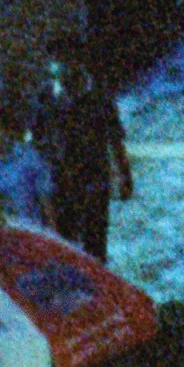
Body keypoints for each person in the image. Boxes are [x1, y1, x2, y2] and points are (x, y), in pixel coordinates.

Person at [37, 41, 129, 261]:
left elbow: (115, 138)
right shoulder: (49, 98)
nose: (59, 68)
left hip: (95, 180)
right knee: (66, 245)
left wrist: (125, 175)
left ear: (77, 62)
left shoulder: (99, 96)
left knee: (95, 245)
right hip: (62, 182)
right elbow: (38, 138)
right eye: (55, 62)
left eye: (64, 61)